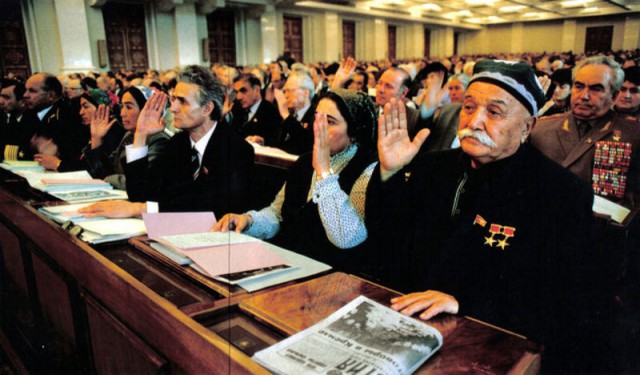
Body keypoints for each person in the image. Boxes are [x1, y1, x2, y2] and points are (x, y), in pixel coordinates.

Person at [366, 60, 605, 372]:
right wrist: (390, 173)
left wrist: (464, 301)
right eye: (468, 107)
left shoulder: (560, 193)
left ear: (527, 127)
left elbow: (559, 299)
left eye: (494, 112)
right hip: (409, 327)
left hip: (489, 340)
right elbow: (387, 245)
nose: (474, 121)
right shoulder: (432, 167)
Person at [214, 88, 377, 272]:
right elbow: (277, 213)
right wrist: (250, 220)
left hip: (333, 274)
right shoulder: (305, 161)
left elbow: (346, 237)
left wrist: (324, 172)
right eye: (317, 119)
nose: (318, 128)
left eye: (329, 122)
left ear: (354, 131)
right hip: (292, 264)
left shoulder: (367, 168)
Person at [78, 65, 254, 218]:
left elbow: (210, 208)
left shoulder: (236, 149)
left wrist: (139, 209)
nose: (173, 108)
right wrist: (141, 135)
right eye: (174, 99)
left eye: (182, 102)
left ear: (207, 108)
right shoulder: (178, 144)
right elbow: (141, 194)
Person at [530, 56, 640, 208]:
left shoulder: (633, 135)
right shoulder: (540, 130)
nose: (584, 96)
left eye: (596, 89)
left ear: (614, 96)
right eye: (579, 86)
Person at [82, 86, 170, 190]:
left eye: (129, 107)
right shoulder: (129, 135)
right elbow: (108, 169)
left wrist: (108, 179)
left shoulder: (159, 140)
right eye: (121, 107)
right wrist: (96, 140)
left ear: (146, 110)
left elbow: (142, 181)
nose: (122, 113)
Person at [36, 89, 124, 172]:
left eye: (86, 107)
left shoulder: (113, 131)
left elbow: (94, 169)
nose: (81, 112)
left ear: (101, 107)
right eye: (81, 107)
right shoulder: (85, 130)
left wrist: (57, 164)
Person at [230, 73, 282, 146]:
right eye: (236, 92)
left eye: (243, 91)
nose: (238, 97)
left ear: (257, 90)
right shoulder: (236, 109)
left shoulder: (271, 112)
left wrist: (264, 142)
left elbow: (276, 142)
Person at [272, 72, 316, 155]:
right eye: (285, 91)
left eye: (289, 91)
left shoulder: (316, 116)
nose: (286, 95)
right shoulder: (290, 114)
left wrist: (285, 115)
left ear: (305, 93)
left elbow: (306, 143)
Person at [0, 79, 35, 161]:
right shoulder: (3, 119)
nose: (0, 101)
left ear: (22, 102)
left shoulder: (33, 121)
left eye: (6, 97)